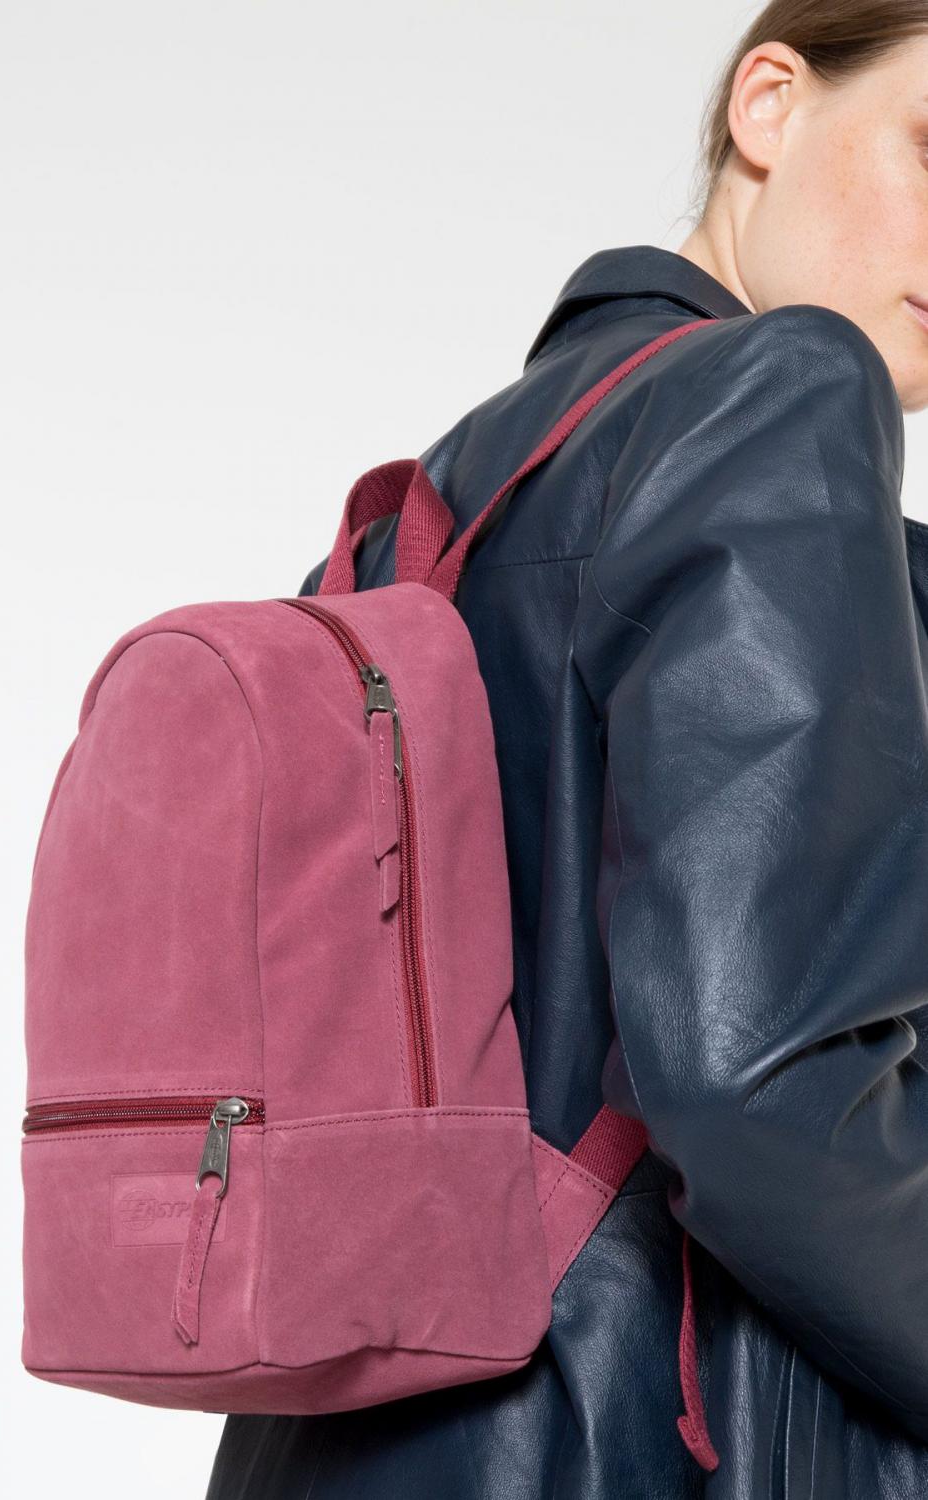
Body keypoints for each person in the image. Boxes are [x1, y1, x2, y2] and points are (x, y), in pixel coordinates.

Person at [205, 5, 928, 1495]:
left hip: (354, 1432)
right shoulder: (784, 393)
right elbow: (754, 1082)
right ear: (770, 104)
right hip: (646, 1440)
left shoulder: (445, 496)